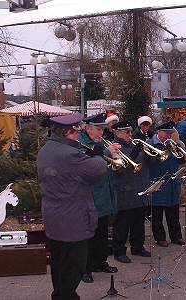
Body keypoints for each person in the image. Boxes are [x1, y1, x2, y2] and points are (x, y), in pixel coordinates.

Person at [37, 113, 108, 300]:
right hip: (73, 221)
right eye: (75, 131)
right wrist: (99, 155)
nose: (78, 135)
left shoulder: (46, 149)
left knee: (59, 263)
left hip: (54, 218)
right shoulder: (69, 154)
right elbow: (98, 169)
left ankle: (59, 294)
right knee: (74, 266)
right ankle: (65, 296)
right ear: (67, 133)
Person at [78, 113, 120, 283]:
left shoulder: (101, 142)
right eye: (97, 129)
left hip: (104, 194)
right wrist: (105, 152)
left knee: (102, 233)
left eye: (102, 129)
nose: (101, 133)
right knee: (89, 235)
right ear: (88, 128)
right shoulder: (81, 143)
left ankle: (100, 262)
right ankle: (85, 269)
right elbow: (85, 164)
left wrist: (116, 158)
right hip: (90, 196)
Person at [110, 120, 151, 263]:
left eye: (130, 131)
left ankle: (138, 247)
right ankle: (119, 251)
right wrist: (134, 153)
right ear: (117, 133)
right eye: (126, 132)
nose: (130, 134)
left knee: (138, 222)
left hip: (139, 187)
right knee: (122, 224)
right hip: (124, 190)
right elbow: (120, 167)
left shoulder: (134, 144)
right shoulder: (114, 147)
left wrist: (150, 152)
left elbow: (146, 163)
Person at [147, 121, 186, 247]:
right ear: (159, 132)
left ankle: (176, 237)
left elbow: (182, 160)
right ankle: (160, 238)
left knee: (173, 212)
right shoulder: (150, 144)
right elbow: (149, 162)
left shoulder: (174, 143)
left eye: (171, 133)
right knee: (157, 214)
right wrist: (164, 152)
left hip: (173, 182)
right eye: (166, 133)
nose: (169, 136)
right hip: (157, 181)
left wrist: (178, 149)